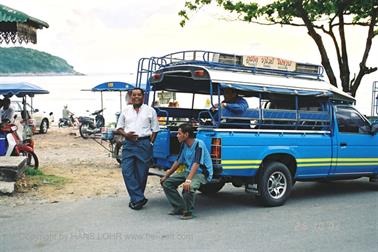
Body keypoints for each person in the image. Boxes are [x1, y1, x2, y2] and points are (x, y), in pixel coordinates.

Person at [116, 88, 160, 210]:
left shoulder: (150, 111)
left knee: (141, 173)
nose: (136, 97)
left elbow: (155, 129)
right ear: (131, 97)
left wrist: (150, 144)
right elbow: (119, 128)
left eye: (139, 95)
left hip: (144, 143)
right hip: (129, 144)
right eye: (134, 95)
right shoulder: (125, 111)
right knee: (126, 171)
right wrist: (126, 135)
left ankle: (136, 200)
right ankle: (139, 198)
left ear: (143, 96)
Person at [160, 123, 213, 220]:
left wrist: (188, 180)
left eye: (179, 133)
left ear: (186, 135)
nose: (177, 136)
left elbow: (196, 163)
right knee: (167, 183)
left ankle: (188, 212)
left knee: (188, 187)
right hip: (189, 171)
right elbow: (178, 161)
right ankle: (179, 207)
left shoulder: (198, 144)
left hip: (201, 173)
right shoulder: (184, 145)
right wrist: (166, 176)